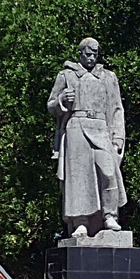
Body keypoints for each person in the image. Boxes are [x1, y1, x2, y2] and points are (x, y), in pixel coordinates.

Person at [46, 37, 127, 238]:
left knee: (108, 172)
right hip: (76, 127)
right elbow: (51, 106)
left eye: (95, 54)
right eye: (88, 54)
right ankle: (80, 220)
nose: (91, 58)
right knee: (79, 177)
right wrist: (62, 100)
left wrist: (117, 138)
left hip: (101, 128)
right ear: (80, 53)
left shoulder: (108, 77)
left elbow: (117, 109)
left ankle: (110, 215)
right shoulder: (66, 76)